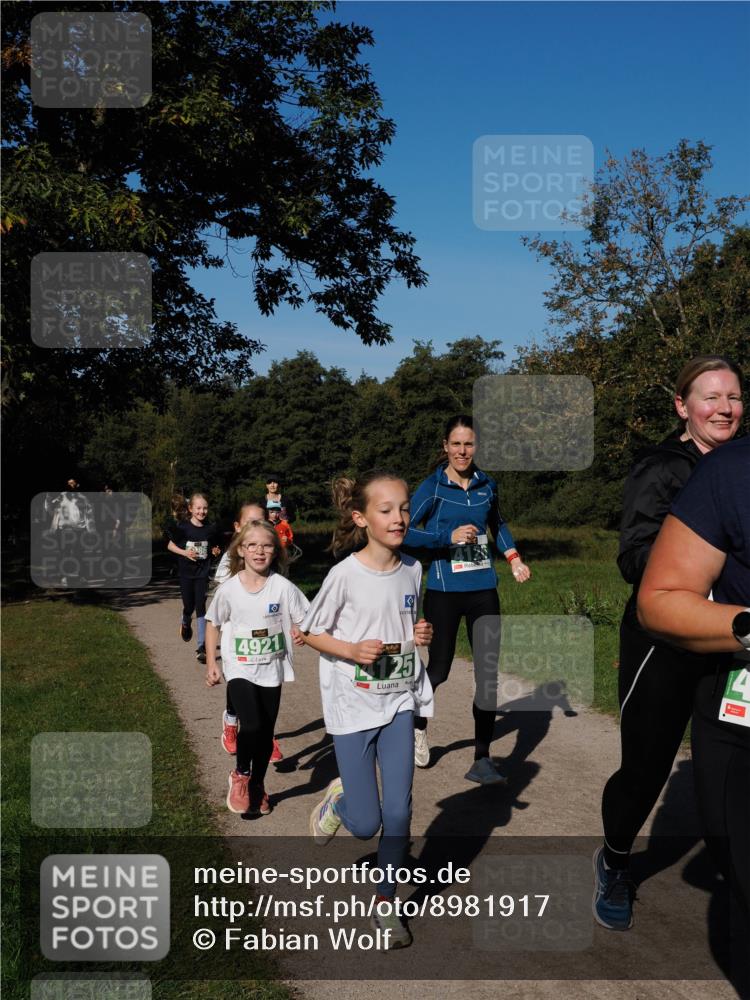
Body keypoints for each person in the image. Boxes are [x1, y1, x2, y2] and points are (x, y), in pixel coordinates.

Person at [594, 356, 744, 931]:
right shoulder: (661, 467)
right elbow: (633, 555)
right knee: (646, 770)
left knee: (730, 770)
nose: (724, 408)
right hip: (663, 642)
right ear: (683, 407)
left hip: (733, 643)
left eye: (733, 396)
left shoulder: (743, 466)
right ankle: (614, 858)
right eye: (710, 397)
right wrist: (693, 585)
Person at [301, 471, 434, 949]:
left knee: (398, 812)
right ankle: (340, 800)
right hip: (353, 707)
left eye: (403, 508)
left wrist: (420, 633)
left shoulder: (414, 569)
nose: (398, 518)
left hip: (397, 700)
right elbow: (308, 632)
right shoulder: (344, 575)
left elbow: (407, 618)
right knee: (365, 826)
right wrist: (352, 651)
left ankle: (385, 907)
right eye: (386, 510)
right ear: (361, 517)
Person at [638, 436, 749, 992]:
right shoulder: (729, 470)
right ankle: (615, 857)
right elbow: (655, 588)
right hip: (733, 695)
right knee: (643, 766)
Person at [403, 415, 530, 783]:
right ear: (445, 446)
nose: (462, 451)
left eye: (469, 444)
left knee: (487, 675)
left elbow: (498, 524)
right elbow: (407, 532)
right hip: (444, 591)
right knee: (439, 669)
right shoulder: (433, 487)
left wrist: (514, 557)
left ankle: (483, 758)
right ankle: (416, 725)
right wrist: (448, 536)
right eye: (456, 444)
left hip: (483, 591)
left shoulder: (487, 484)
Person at [205, 519, 309, 817]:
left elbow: (307, 617)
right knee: (250, 725)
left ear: (276, 551)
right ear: (241, 550)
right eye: (252, 545)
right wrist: (212, 662)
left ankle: (259, 784)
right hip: (239, 668)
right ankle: (240, 774)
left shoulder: (283, 588)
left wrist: (301, 631)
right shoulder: (229, 589)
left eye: (266, 545)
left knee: (265, 733)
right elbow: (213, 623)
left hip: (271, 670)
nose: (259, 551)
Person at [214, 503, 284, 764]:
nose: (256, 528)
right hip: (238, 640)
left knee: (265, 688)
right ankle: (232, 721)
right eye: (249, 523)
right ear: (237, 528)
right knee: (240, 680)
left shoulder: (270, 557)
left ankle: (267, 735)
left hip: (266, 640)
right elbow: (221, 600)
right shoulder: (230, 560)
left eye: (262, 521)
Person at [166, 493, 222, 664]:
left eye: (205, 508)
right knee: (189, 606)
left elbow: (214, 546)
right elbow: (169, 545)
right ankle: (185, 620)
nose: (202, 511)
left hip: (202, 573)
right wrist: (185, 553)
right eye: (198, 508)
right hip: (186, 573)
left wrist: (215, 551)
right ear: (191, 509)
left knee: (201, 606)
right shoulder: (183, 528)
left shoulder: (210, 529)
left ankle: (201, 647)